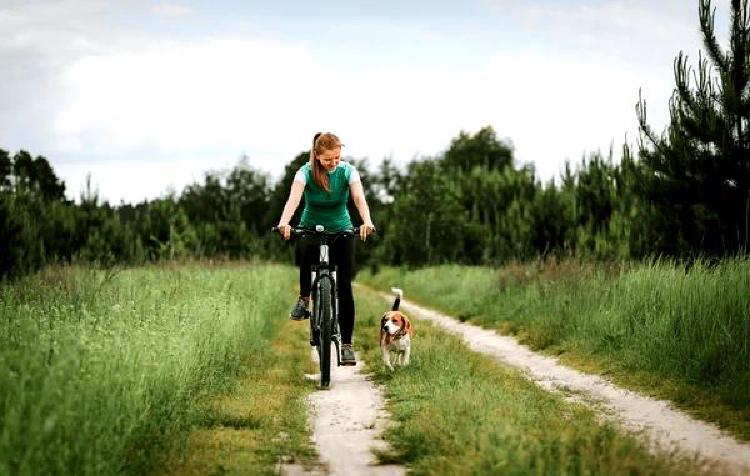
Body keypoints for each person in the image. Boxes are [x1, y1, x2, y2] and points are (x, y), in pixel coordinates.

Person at [276, 132, 375, 365]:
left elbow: (359, 198)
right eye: (328, 159)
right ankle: (304, 298)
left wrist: (367, 221)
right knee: (304, 249)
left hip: (342, 228)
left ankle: (347, 345)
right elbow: (294, 199)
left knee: (344, 284)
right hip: (311, 226)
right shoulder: (305, 172)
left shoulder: (348, 171)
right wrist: (284, 222)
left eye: (337, 157)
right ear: (318, 156)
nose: (334, 163)